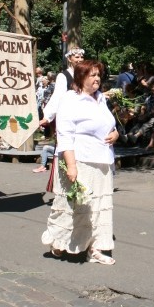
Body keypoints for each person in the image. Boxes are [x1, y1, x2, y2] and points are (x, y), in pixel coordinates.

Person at [41, 60, 119, 264]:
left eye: (98, 75)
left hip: (102, 161)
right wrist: (72, 166)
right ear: (80, 78)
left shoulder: (101, 98)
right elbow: (64, 134)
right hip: (80, 159)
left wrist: (116, 134)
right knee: (77, 207)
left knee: (99, 206)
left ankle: (95, 248)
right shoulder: (70, 99)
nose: (96, 79)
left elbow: (109, 124)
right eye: (92, 75)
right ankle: (60, 241)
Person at [39, 47, 85, 129]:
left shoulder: (85, 75)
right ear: (69, 59)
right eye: (77, 57)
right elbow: (58, 97)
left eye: (81, 57)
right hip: (69, 118)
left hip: (84, 116)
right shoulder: (63, 76)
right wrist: (48, 117)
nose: (80, 59)